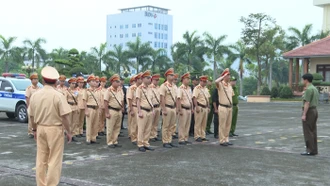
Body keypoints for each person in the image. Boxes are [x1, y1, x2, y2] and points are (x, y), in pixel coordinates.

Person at [28, 66, 72, 186]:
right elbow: (65, 116)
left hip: (40, 127)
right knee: (54, 160)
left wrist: (34, 129)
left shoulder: (35, 95)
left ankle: (41, 184)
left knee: (41, 159)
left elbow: (31, 116)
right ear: (56, 81)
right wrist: (69, 131)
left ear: (43, 80)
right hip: (55, 129)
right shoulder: (58, 96)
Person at [136, 70, 155, 152]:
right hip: (143, 110)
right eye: (147, 78)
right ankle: (140, 144)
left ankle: (146, 143)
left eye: (150, 78)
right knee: (141, 128)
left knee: (148, 128)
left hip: (149, 111)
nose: (149, 79)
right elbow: (138, 100)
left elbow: (151, 100)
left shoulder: (150, 88)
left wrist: (153, 109)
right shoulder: (139, 88)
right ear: (143, 79)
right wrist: (139, 111)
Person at [300, 73, 319, 156]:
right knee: (313, 131)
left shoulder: (308, 89)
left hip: (309, 111)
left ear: (306, 80)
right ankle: (314, 150)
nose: (302, 81)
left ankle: (309, 150)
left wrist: (304, 114)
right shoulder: (314, 88)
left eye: (303, 79)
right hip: (315, 110)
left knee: (308, 131)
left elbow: (307, 102)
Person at [104, 74, 124, 148]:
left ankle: (115, 141)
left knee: (117, 127)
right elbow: (105, 102)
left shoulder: (120, 90)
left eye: (119, 81)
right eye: (117, 81)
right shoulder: (108, 91)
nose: (119, 83)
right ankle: (110, 142)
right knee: (110, 127)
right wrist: (106, 113)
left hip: (119, 111)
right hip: (111, 110)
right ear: (112, 82)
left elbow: (122, 100)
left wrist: (122, 108)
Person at [215, 68, 234, 146]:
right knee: (222, 125)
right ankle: (222, 140)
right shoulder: (220, 84)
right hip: (222, 107)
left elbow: (231, 96)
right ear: (224, 76)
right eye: (227, 75)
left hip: (229, 107)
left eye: (229, 75)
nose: (229, 77)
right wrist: (223, 76)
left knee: (228, 124)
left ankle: (226, 139)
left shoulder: (229, 85)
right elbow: (216, 81)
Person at [160, 68, 178, 148]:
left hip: (173, 107)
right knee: (166, 125)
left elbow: (176, 98)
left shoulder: (174, 86)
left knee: (172, 125)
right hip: (167, 107)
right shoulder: (163, 86)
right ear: (167, 76)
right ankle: (165, 141)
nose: (173, 76)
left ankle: (169, 140)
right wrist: (163, 109)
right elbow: (162, 98)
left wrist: (177, 108)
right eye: (171, 75)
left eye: (173, 75)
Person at [83, 75, 101, 144]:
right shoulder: (87, 91)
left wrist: (99, 109)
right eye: (92, 81)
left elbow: (98, 101)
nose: (94, 83)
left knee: (95, 124)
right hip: (90, 108)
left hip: (96, 108)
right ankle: (88, 138)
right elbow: (84, 101)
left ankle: (93, 138)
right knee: (89, 124)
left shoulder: (97, 91)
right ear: (89, 83)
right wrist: (86, 110)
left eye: (94, 81)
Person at [176, 72, 193, 145]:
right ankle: (181, 139)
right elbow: (178, 99)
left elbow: (190, 99)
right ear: (183, 80)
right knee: (182, 125)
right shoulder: (180, 88)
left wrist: (192, 108)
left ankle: (185, 138)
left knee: (187, 124)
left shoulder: (189, 88)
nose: (188, 80)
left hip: (189, 108)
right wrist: (179, 109)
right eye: (187, 79)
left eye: (189, 79)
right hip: (183, 108)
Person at [192, 76, 210, 142]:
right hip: (199, 106)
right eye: (203, 81)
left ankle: (203, 135)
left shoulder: (206, 89)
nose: (205, 83)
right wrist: (196, 107)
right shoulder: (197, 88)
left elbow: (207, 98)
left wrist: (208, 107)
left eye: (205, 82)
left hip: (205, 107)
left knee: (204, 123)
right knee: (198, 122)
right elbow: (194, 98)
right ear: (201, 81)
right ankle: (197, 136)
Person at [127, 73, 142, 145]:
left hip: (141, 108)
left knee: (140, 124)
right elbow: (129, 99)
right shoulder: (132, 88)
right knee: (134, 124)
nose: (142, 80)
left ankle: (138, 137)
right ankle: (133, 138)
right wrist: (131, 109)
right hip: (134, 107)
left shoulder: (142, 87)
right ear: (137, 80)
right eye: (140, 79)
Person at [25, 73, 40, 138]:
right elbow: (27, 98)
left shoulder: (39, 88)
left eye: (37, 79)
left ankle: (37, 131)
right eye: (34, 79)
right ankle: (30, 132)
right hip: (31, 106)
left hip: (38, 106)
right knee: (31, 120)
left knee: (37, 119)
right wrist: (29, 106)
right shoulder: (29, 88)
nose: (36, 80)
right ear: (31, 80)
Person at [65, 77, 79, 142]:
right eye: (72, 83)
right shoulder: (67, 91)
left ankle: (73, 135)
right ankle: (69, 134)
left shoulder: (76, 91)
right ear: (69, 84)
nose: (74, 85)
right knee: (69, 122)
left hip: (75, 107)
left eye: (74, 84)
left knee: (74, 122)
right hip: (69, 106)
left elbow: (77, 100)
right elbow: (65, 100)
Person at [149, 74, 161, 142]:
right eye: (155, 80)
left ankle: (154, 135)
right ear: (152, 80)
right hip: (152, 107)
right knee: (151, 122)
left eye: (158, 80)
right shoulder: (150, 87)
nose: (157, 81)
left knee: (156, 123)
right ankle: (150, 136)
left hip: (158, 106)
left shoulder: (159, 88)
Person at [127, 75, 137, 139]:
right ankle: (131, 134)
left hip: (137, 107)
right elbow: (128, 99)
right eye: (133, 81)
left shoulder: (139, 88)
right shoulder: (131, 88)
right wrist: (130, 108)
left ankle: (134, 134)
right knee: (131, 122)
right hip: (132, 106)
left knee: (135, 123)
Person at [170, 73, 179, 139]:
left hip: (174, 106)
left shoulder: (175, 87)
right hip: (168, 106)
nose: (175, 81)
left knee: (174, 122)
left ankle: (172, 133)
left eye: (176, 79)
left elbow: (176, 98)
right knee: (167, 124)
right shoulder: (166, 86)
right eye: (174, 79)